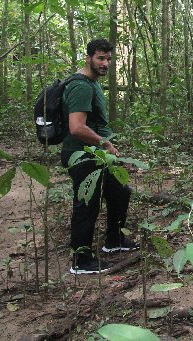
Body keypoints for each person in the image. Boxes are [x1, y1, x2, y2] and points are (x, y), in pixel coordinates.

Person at [62, 38, 138, 275]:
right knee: (87, 204)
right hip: (82, 155)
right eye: (100, 58)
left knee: (119, 191)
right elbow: (76, 127)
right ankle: (81, 260)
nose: (105, 63)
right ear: (88, 58)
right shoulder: (81, 86)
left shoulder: (93, 83)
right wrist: (104, 142)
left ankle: (114, 240)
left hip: (99, 154)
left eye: (108, 59)